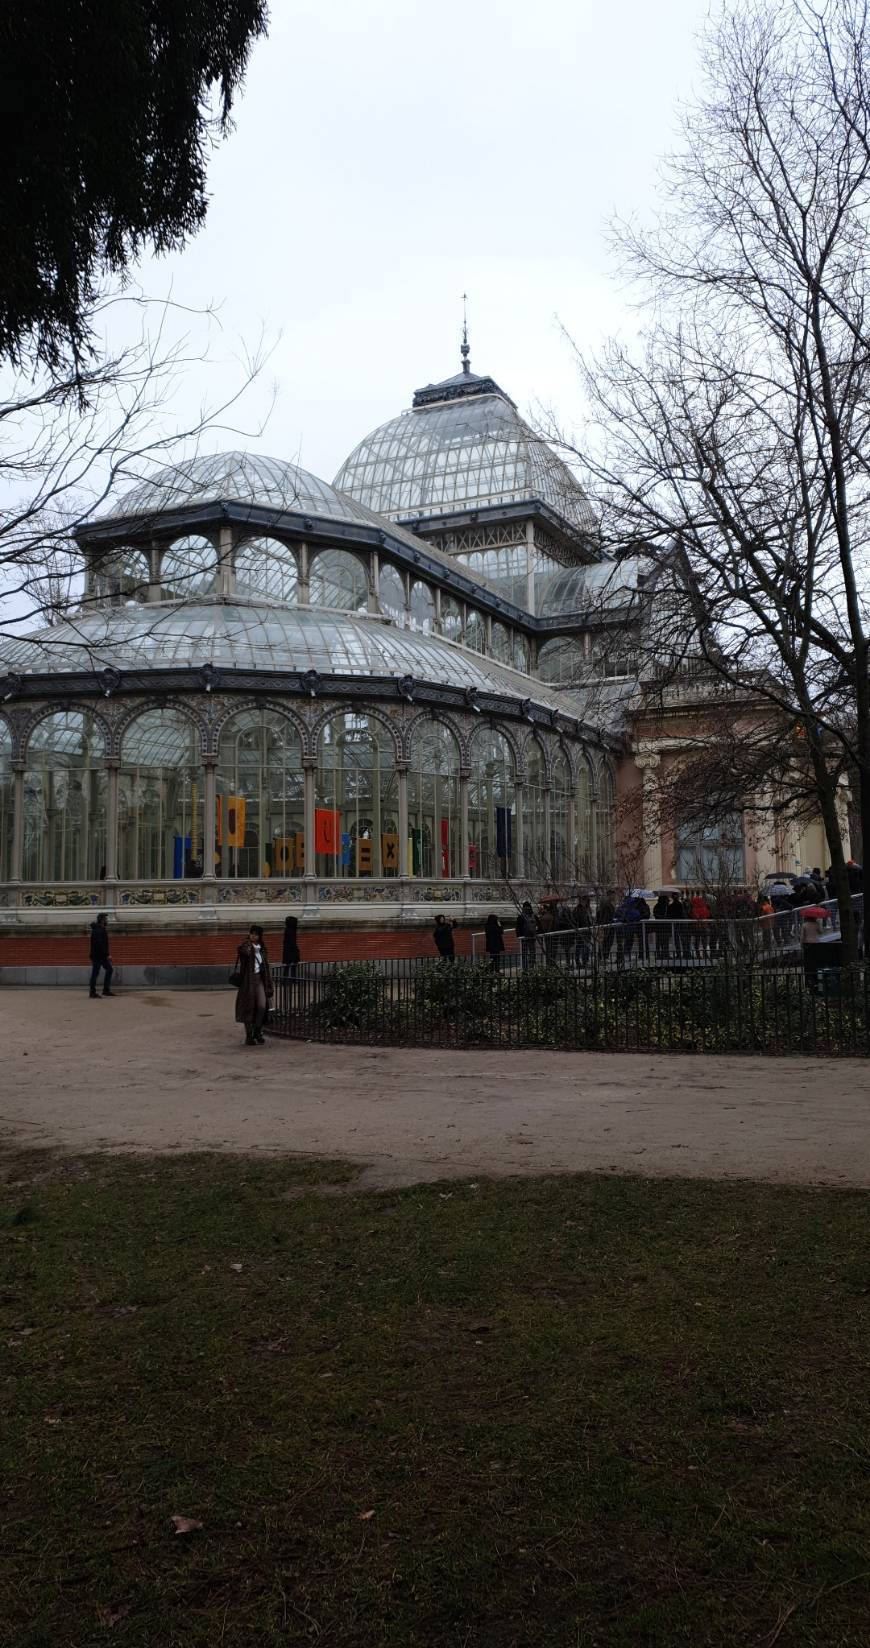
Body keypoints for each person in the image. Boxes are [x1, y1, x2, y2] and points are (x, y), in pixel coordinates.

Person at [234, 924, 273, 1046]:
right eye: (252, 934)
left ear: (260, 936)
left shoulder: (262, 949)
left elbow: (266, 967)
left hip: (260, 980)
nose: (253, 936)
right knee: (248, 1007)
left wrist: (269, 983)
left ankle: (257, 1031)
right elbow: (242, 951)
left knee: (262, 1006)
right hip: (248, 981)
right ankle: (249, 1036)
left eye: (256, 934)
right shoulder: (246, 946)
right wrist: (250, 947)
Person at [88, 912, 114, 998]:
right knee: (95, 973)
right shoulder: (98, 930)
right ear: (102, 920)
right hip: (98, 956)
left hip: (101, 955)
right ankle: (92, 992)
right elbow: (100, 944)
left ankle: (106, 990)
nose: (107, 921)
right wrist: (107, 955)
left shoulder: (100, 929)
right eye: (106, 919)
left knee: (109, 969)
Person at [515, 901, 538, 970]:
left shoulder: (521, 916)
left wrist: (519, 936)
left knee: (524, 953)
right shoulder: (534, 915)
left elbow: (518, 927)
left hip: (524, 937)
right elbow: (539, 925)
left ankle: (525, 968)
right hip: (532, 937)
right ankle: (532, 966)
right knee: (532, 952)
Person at [596, 890, 616, 962]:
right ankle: (604, 957)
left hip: (608, 925)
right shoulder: (607, 904)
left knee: (606, 942)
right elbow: (605, 916)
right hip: (607, 926)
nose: (614, 896)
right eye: (613, 895)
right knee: (606, 942)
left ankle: (603, 957)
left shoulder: (608, 903)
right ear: (610, 895)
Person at [652, 890, 671, 963]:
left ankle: (663, 954)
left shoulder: (664, 906)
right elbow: (657, 915)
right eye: (667, 900)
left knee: (663, 941)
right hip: (662, 926)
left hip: (662, 927)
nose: (668, 901)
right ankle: (662, 954)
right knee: (662, 941)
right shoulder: (661, 906)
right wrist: (664, 918)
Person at [282, 915, 300, 980]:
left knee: (288, 966)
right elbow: (292, 942)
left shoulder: (288, 930)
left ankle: (286, 979)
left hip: (288, 950)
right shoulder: (291, 931)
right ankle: (291, 979)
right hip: (291, 950)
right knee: (291, 966)